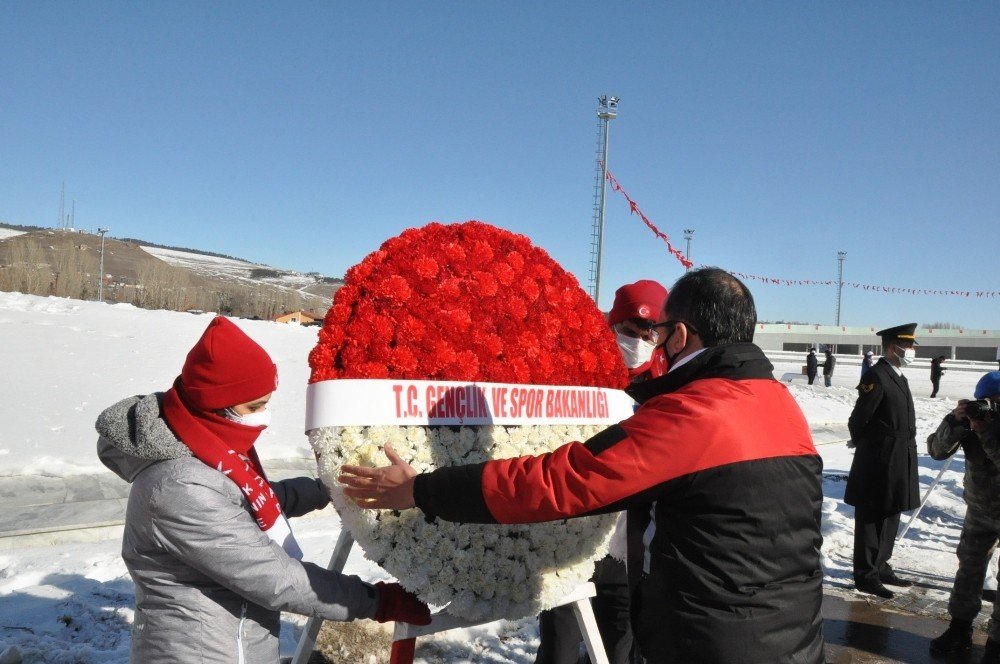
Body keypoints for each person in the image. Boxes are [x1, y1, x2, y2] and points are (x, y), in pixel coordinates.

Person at [340, 267, 826, 664]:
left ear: (678, 334)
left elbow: (561, 482)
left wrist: (422, 490)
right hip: (793, 636)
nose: (649, 344)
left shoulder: (697, 414)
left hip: (715, 642)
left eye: (655, 333)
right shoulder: (780, 403)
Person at [96, 317, 430, 663]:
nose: (263, 417)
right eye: (254, 407)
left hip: (236, 641)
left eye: (266, 403)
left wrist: (327, 490)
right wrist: (375, 600)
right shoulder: (178, 486)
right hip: (200, 651)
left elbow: (250, 499)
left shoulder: (204, 444)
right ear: (215, 404)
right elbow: (273, 577)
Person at [535, 279, 668, 664]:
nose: (640, 340)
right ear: (612, 325)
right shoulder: (577, 370)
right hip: (573, 537)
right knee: (559, 645)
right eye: (631, 330)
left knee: (619, 646)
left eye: (649, 333)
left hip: (628, 542)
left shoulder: (666, 383)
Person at [927, 371, 1000, 662]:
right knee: (968, 569)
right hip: (980, 510)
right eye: (987, 401)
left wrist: (985, 431)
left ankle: (996, 643)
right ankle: (959, 629)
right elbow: (936, 451)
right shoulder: (970, 418)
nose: (991, 406)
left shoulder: (984, 426)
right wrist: (954, 423)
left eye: (997, 401)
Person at [845, 323, 920, 599]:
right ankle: (866, 574)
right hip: (879, 458)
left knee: (892, 511)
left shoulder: (898, 375)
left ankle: (881, 564)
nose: (912, 351)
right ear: (892, 348)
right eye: (908, 346)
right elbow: (859, 418)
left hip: (900, 455)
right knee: (872, 515)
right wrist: (869, 446)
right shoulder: (877, 376)